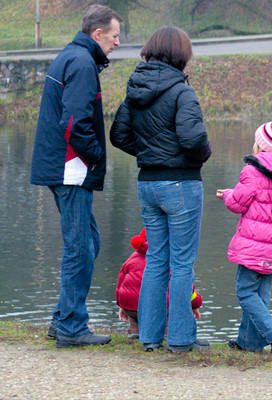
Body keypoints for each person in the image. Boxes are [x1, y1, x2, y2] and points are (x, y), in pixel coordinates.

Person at [110, 26, 212, 353]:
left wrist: (149, 156)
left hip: (148, 183)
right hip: (181, 183)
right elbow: (194, 140)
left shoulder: (135, 90)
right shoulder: (182, 92)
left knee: (156, 260)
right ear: (181, 54)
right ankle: (182, 339)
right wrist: (197, 158)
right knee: (181, 263)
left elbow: (119, 135)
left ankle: (150, 337)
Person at [30, 4, 121, 348]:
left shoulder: (72, 57)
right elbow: (74, 122)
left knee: (88, 243)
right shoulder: (82, 64)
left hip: (63, 166)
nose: (116, 43)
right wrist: (96, 156)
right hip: (70, 169)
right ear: (97, 34)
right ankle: (70, 325)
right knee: (79, 248)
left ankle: (63, 317)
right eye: (114, 36)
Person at [216, 120, 272, 354]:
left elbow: (238, 203)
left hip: (254, 243)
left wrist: (226, 195)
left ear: (262, 147)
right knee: (260, 294)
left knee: (245, 291)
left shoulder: (253, 171)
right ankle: (248, 343)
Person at [116, 228, 203, 340]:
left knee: (136, 316)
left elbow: (121, 284)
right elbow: (186, 288)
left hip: (130, 305)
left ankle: (135, 333)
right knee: (164, 316)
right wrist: (195, 304)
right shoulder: (172, 259)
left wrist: (121, 305)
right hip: (159, 307)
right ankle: (166, 336)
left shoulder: (131, 259)